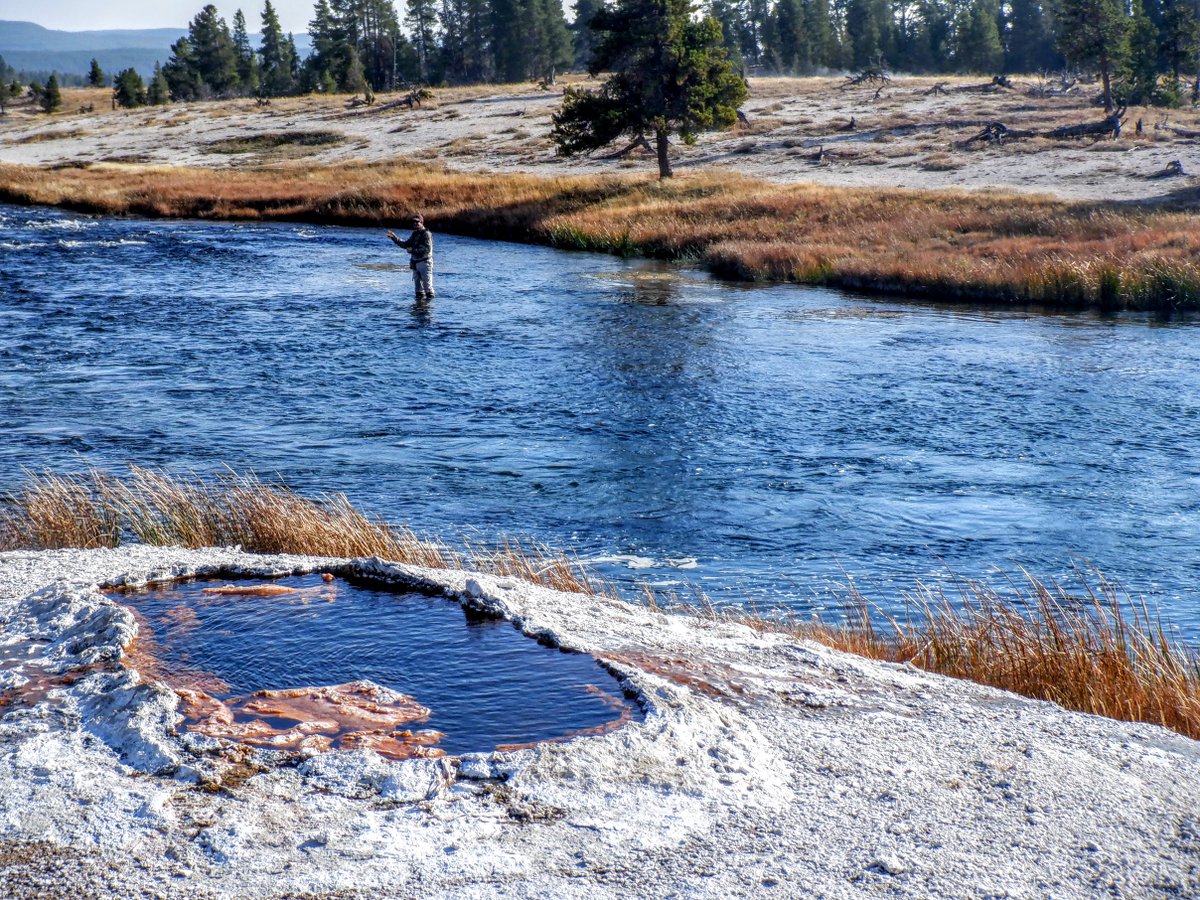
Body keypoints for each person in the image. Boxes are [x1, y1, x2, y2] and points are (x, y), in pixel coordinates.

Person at [386, 214, 434, 301]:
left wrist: (412, 250)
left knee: (428, 290)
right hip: (415, 264)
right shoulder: (415, 234)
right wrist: (394, 237)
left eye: (417, 222)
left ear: (422, 222)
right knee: (418, 291)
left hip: (425, 263)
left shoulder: (426, 234)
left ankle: (428, 312)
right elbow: (405, 244)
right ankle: (419, 310)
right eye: (413, 222)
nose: (415, 224)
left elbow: (426, 249)